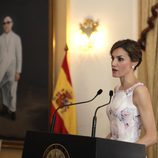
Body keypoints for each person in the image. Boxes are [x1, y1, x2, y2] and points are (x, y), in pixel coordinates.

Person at [106, 39, 157, 148]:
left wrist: (125, 152)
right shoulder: (116, 90)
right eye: (112, 58)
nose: (113, 63)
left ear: (134, 62)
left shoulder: (139, 91)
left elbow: (152, 136)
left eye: (120, 59)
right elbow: (115, 133)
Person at [0, 16, 22, 120]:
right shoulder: (0, 38)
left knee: (12, 90)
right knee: (3, 88)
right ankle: (5, 107)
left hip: (13, 68)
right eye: (4, 23)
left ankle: (12, 110)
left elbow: (19, 55)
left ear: (12, 24)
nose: (6, 25)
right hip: (2, 68)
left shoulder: (16, 38)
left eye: (8, 22)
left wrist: (18, 71)